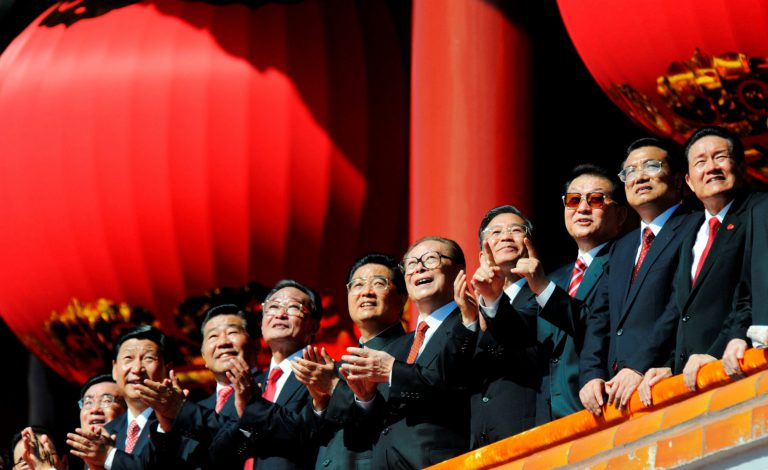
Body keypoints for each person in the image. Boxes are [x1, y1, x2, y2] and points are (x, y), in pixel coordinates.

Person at [639, 126, 767, 403]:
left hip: (737, 371)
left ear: (741, 167)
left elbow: (749, 293)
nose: (711, 168)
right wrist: (670, 365)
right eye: (700, 162)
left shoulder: (759, 211)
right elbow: (685, 312)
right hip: (693, 384)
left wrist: (718, 350)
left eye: (720, 157)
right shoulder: (690, 232)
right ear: (688, 181)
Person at [579, 138, 698, 414]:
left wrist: (638, 366)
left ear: (678, 180)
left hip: (661, 383)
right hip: (614, 394)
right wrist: (592, 374)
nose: (639, 177)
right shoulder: (621, 247)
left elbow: (680, 305)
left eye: (651, 166)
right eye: (630, 171)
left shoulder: (695, 226)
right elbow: (600, 318)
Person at [341, 236, 478, 469]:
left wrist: (393, 372)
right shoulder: (398, 347)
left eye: (431, 259)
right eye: (411, 264)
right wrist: (366, 399)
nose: (419, 268)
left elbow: (451, 382)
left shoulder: (471, 325)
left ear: (459, 271)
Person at [517, 164, 627, 422]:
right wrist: (491, 300)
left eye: (596, 199)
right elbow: (520, 334)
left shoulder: (626, 264)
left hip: (601, 411)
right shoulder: (555, 278)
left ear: (620, 214)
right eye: (573, 200)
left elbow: (597, 325)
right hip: (547, 422)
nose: (583, 208)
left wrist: (543, 288)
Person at [207, 279, 325, 469]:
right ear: (262, 324)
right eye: (273, 307)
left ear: (314, 326)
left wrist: (253, 407)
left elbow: (310, 434)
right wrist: (245, 423)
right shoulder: (249, 385)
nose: (280, 314)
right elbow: (220, 455)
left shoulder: (323, 375)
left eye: (293, 307)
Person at [308, 253, 407, 469]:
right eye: (357, 284)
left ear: (402, 298)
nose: (366, 292)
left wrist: (335, 388)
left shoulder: (412, 350)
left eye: (378, 283)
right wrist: (320, 404)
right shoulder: (335, 367)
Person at [468, 205, 539, 445]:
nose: (505, 237)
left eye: (515, 230)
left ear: (529, 246)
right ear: (482, 256)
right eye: (495, 232)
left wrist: (493, 299)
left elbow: (519, 335)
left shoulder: (543, 295)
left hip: (525, 435)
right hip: (474, 446)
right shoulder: (468, 312)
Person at [67, 325, 184, 470]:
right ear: (114, 369)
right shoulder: (104, 435)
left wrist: (109, 457)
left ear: (167, 368)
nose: (137, 369)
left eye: (148, 358)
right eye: (128, 358)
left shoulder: (181, 422)